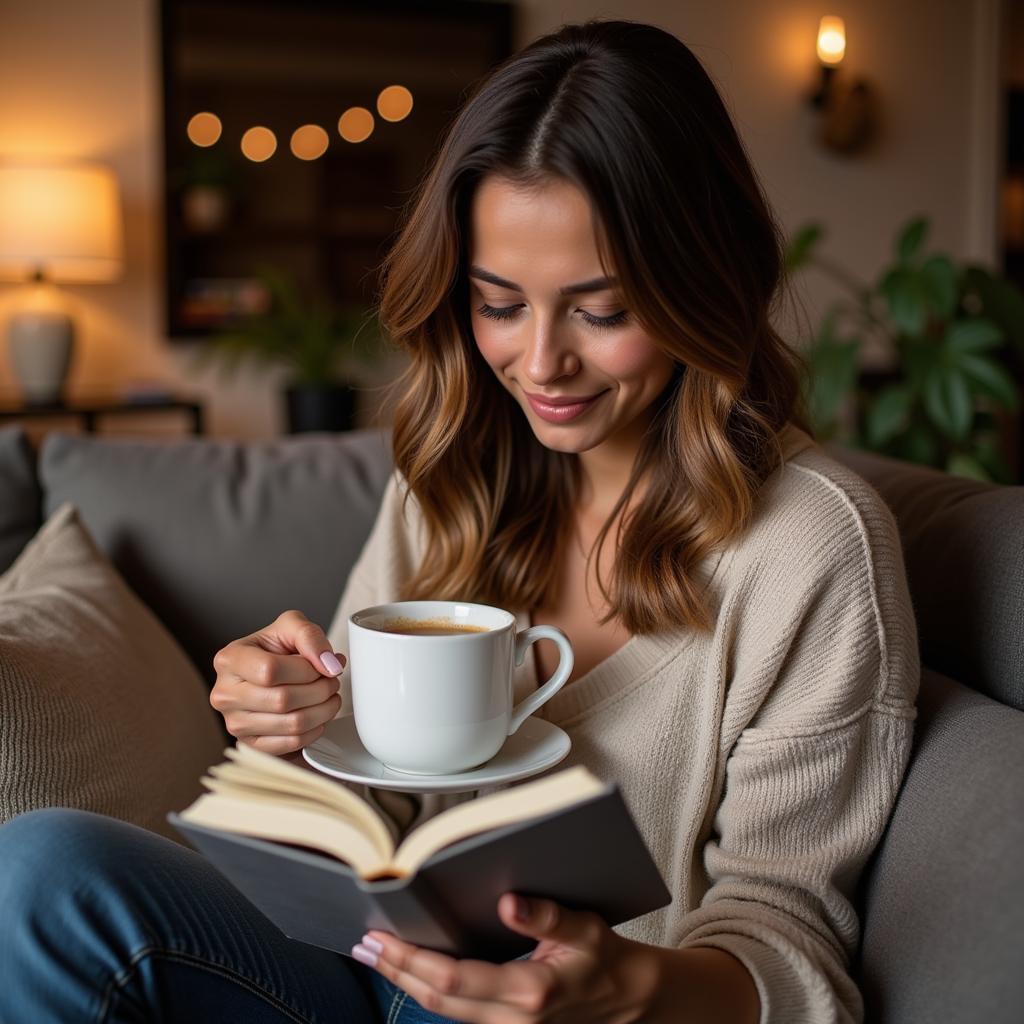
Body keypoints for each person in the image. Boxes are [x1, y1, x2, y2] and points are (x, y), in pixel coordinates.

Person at [0, 17, 920, 1024]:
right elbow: (369, 804)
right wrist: (287, 722)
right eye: (496, 303)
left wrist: (626, 985)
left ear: (702, 281)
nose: (539, 362)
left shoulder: (811, 549)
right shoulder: (453, 477)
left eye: (599, 311)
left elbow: (791, 941)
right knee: (43, 867)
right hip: (374, 969)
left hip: (569, 1011)